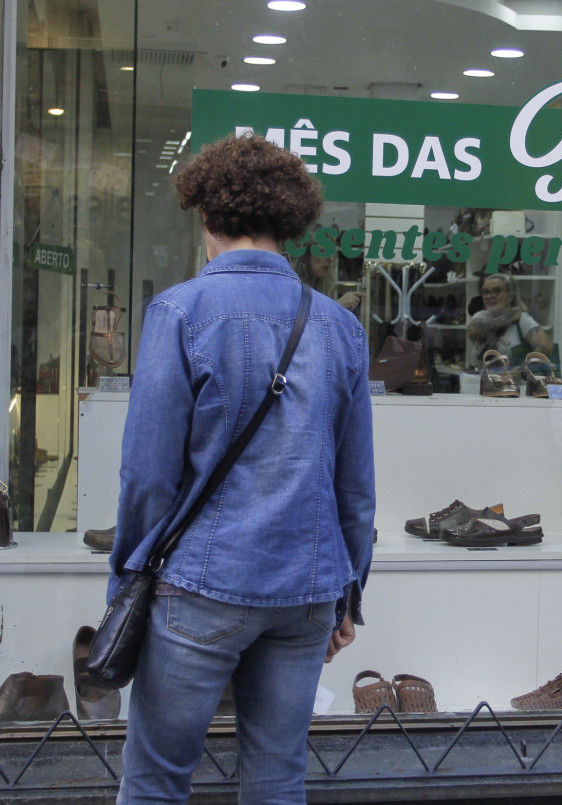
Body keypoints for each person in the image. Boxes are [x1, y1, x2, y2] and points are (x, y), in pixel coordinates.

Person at [110, 133, 374, 804]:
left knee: (156, 781)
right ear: (289, 220)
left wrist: (125, 582)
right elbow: (355, 487)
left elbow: (147, 476)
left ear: (206, 215)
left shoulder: (179, 311)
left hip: (201, 585)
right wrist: (349, 593)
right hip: (306, 593)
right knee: (278, 778)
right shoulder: (339, 326)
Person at [466, 272, 553, 365]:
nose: (489, 296)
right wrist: (507, 318)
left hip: (511, 374)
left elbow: (546, 347)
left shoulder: (522, 319)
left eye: (496, 291)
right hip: (481, 373)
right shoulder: (481, 316)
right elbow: (474, 333)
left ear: (510, 296)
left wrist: (521, 369)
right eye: (486, 292)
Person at [294, 242, 364, 311]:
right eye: (323, 251)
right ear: (306, 255)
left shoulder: (319, 287)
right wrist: (337, 306)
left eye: (331, 253)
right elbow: (304, 316)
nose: (331, 259)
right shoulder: (294, 288)